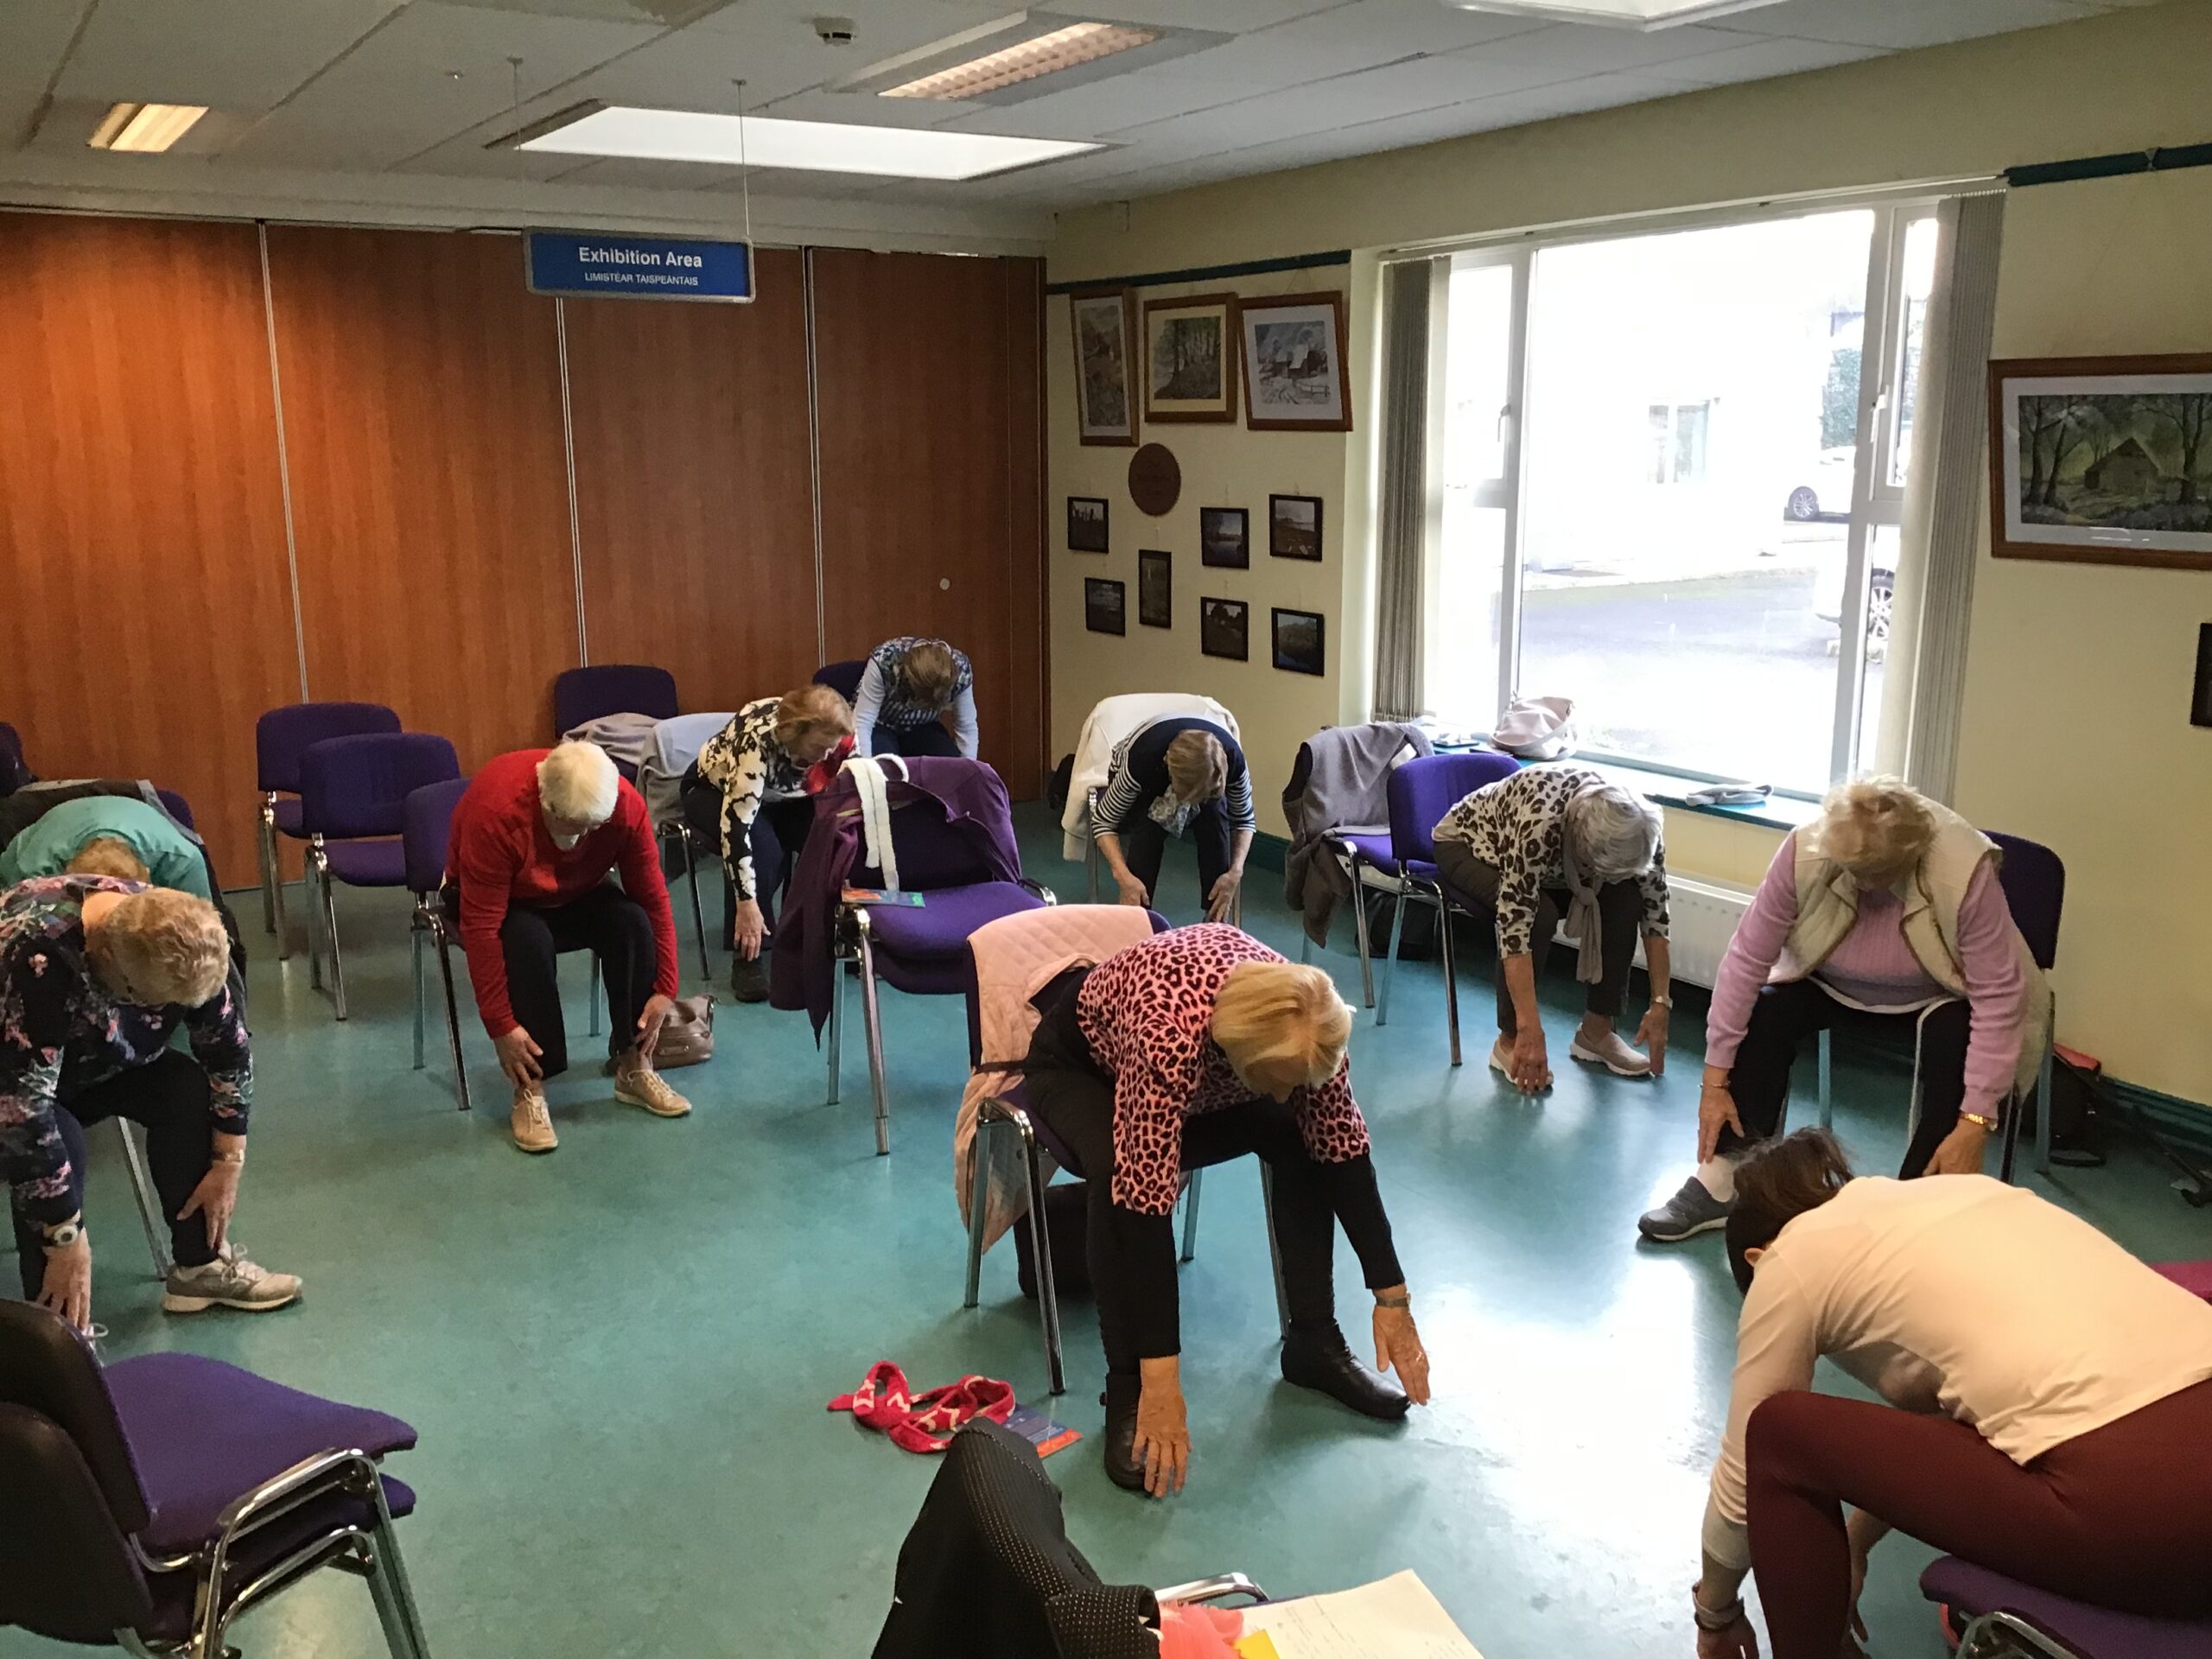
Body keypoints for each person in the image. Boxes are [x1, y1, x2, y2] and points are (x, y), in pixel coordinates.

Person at [1691, 1129, 2212, 1659]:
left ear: (1758, 1257)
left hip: (2160, 1523)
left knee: (1780, 1433)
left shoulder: (1789, 1255)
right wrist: (1854, 1543)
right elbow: (1968, 1419)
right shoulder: (1961, 1195)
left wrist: (1715, 1614)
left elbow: (1743, 1476)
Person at [1020, 923, 1433, 1498]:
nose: (1287, 1094)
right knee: (1117, 1176)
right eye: (1279, 1082)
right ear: (1243, 1057)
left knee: (1303, 1134)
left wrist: (1392, 1298)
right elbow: (1144, 1211)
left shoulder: (1311, 1021)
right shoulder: (1168, 1039)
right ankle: (1129, 1392)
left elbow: (1344, 1150)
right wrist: (1162, 1381)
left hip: (1207, 1078)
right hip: (1080, 1071)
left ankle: (1314, 1341)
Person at [1640, 778, 2043, 1244]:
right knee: (1765, 1011)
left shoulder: (1963, 871)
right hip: (1826, 981)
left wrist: (1975, 1121)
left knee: (1958, 1036)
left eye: (1874, 876)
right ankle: (1726, 1180)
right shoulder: (1806, 850)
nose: (1862, 887)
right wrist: (1714, 1082)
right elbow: (1746, 960)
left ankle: (1919, 1207)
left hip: (1936, 993)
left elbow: (1999, 995)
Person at [2, 876, 300, 1327]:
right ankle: (56, 1333)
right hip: (13, 1086)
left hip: (85, 1063)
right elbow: (24, 1112)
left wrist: (228, 1161)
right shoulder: (35, 955)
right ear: (111, 966)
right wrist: (65, 1237)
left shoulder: (181, 933)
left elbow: (227, 1051)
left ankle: (199, 1269)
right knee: (58, 1145)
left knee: (186, 1090)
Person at [448, 741, 691, 1154]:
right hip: (506, 901)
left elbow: (653, 898)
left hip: (576, 890)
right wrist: (500, 1024)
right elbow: (482, 927)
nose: (582, 837)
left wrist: (667, 986)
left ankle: (634, 1065)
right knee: (526, 941)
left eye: (593, 827)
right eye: (573, 825)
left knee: (631, 922)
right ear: (547, 801)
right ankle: (530, 1089)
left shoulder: (622, 805)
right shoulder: (497, 812)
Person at [1431, 766, 1672, 1090]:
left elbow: (1656, 914)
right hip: (1470, 845)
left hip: (1553, 867)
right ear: (1581, 846)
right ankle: (1509, 1041)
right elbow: (1515, 927)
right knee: (1539, 915)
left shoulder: (1640, 830)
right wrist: (1530, 1029)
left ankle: (1596, 1032)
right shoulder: (1540, 823)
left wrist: (1660, 1003)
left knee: (1626, 897)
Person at [686, 685, 855, 1003]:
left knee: (829, 837)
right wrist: (746, 904)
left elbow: (848, 795)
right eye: (818, 747)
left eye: (831, 748)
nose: (826, 756)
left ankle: (809, 937)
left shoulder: (839, 737)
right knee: (762, 850)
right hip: (714, 790)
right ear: (795, 733)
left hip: (788, 796)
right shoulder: (758, 742)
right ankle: (748, 956)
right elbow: (736, 829)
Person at [1093, 716, 1255, 921]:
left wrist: (1235, 873)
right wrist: (1124, 877)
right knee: (1148, 826)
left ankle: (1215, 920)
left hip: (1197, 780)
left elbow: (1244, 820)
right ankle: (1137, 915)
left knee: (1216, 813)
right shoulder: (1140, 762)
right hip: (1149, 781)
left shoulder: (1233, 761)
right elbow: (1103, 821)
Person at [0, 793, 213, 899]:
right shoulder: (32, 876)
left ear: (147, 875)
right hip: (51, 831)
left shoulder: (183, 863)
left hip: (134, 816)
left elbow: (203, 934)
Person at [852, 637, 976, 760]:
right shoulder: (885, 660)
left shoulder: (961, 672)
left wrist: (969, 768)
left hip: (923, 726)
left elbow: (966, 727)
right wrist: (866, 768)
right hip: (880, 723)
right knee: (884, 763)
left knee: (947, 763)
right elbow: (863, 721)